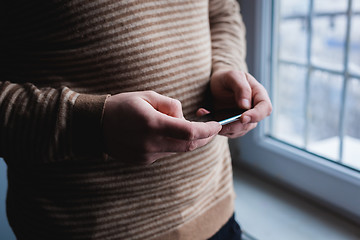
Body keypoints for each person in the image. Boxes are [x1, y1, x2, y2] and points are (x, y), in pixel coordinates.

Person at [0, 0, 272, 239]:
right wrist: (92, 124)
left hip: (215, 212)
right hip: (83, 228)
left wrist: (226, 65)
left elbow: (222, 9)